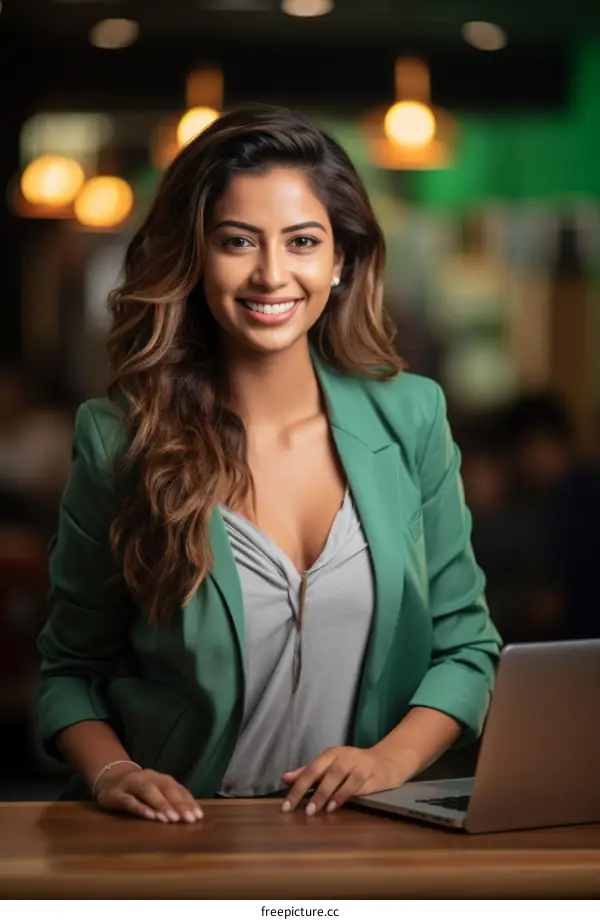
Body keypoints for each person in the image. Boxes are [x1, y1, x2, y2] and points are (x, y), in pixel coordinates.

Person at [36, 104, 501, 825]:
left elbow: (467, 648)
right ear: (196, 257)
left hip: (372, 839)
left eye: (303, 240)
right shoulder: (120, 438)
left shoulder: (413, 418)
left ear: (339, 258)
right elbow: (70, 672)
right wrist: (114, 772)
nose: (272, 274)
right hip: (177, 845)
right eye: (238, 242)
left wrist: (390, 761)